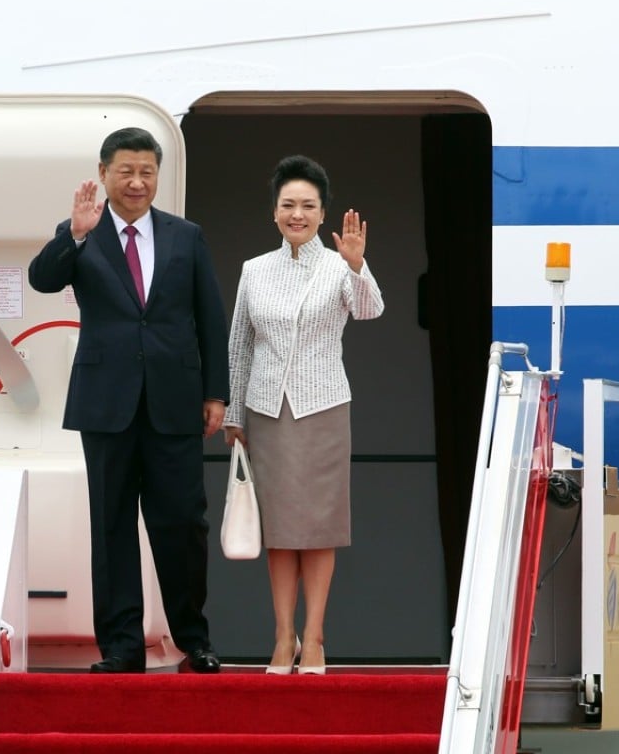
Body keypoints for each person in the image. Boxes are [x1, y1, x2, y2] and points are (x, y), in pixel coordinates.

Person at [29, 127, 229, 674]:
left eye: (147, 171)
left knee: (184, 522)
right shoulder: (81, 232)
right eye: (126, 171)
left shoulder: (186, 235)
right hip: (106, 402)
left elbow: (210, 317)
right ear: (104, 174)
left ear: (157, 176)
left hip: (176, 401)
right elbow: (41, 280)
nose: (138, 181)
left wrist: (216, 393)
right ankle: (122, 647)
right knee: (112, 524)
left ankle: (194, 639)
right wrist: (73, 233)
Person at [223, 155, 384, 675]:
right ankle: (282, 635)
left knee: (318, 528)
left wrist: (357, 265)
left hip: (322, 408)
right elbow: (240, 346)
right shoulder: (254, 269)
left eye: (308, 206)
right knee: (279, 532)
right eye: (288, 204)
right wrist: (233, 412)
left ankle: (314, 638)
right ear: (274, 212)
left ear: (322, 214)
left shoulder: (340, 265)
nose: (297, 214)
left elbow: (369, 310)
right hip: (265, 410)